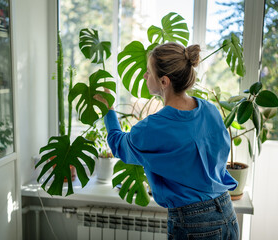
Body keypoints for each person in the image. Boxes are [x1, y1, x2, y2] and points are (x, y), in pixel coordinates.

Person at [102, 42, 239, 240]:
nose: (144, 76)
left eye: (149, 72)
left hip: (195, 224)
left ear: (164, 81)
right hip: (227, 212)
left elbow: (117, 144)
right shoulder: (210, 110)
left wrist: (109, 109)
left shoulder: (153, 127)